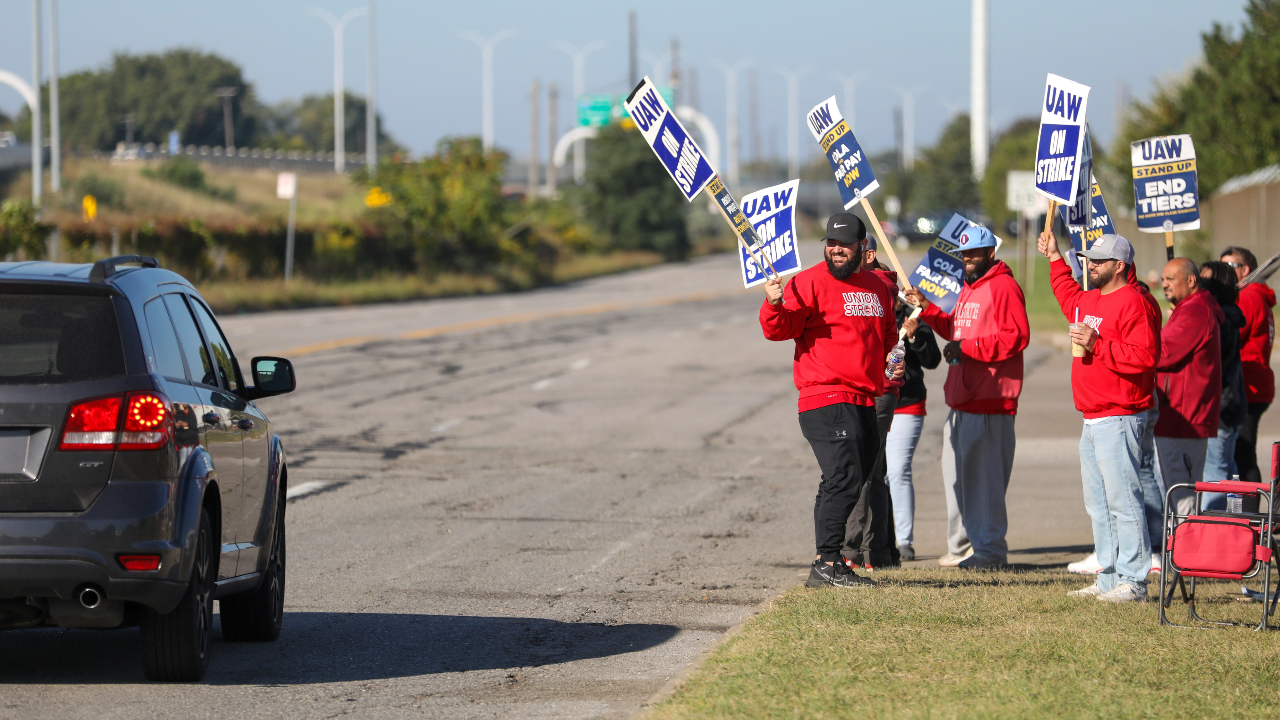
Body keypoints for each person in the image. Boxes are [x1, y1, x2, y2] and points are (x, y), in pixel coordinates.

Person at [760, 213, 900, 589]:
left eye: (844, 244)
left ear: (863, 247)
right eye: (831, 244)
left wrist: (890, 372)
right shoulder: (807, 282)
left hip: (864, 398)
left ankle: (832, 562)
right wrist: (774, 304)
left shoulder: (877, 287)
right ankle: (825, 564)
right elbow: (780, 329)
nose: (836, 250)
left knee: (853, 481)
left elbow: (887, 336)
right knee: (842, 478)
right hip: (825, 395)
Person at [1041, 231, 1159, 603]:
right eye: (1088, 260)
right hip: (1092, 417)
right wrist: (1055, 258)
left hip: (1120, 415)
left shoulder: (1136, 303)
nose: (1090, 266)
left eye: (1098, 261)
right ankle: (1109, 577)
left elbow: (1146, 359)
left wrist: (1098, 344)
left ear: (1119, 266)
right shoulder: (1090, 298)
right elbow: (1065, 294)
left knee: (1124, 501)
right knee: (1100, 505)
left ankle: (1134, 581)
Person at [906, 226, 1029, 569]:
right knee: (959, 480)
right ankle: (965, 546)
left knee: (984, 481)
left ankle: (990, 552)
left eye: (974, 253)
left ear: (991, 252)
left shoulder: (1003, 286)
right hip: (962, 400)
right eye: (964, 254)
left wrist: (969, 348)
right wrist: (926, 308)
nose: (968, 259)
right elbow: (954, 329)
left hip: (990, 399)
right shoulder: (969, 288)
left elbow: (1016, 337)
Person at [841, 238, 905, 569]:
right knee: (874, 471)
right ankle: (879, 550)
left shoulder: (876, 286)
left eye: (853, 251)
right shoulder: (879, 283)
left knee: (862, 470)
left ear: (869, 255)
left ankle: (855, 551)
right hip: (881, 386)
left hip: (876, 386)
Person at [1152, 258, 1222, 517]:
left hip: (1184, 418)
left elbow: (1163, 352)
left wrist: (1131, 345)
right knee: (1175, 491)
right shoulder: (1189, 309)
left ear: (1191, 280)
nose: (1165, 284)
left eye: (1171, 278)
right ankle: (1177, 549)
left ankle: (1183, 552)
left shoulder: (1195, 311)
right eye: (1163, 279)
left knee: (1181, 496)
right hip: (1179, 415)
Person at [885, 261, 941, 562]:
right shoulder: (865, 313)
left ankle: (904, 540)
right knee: (874, 475)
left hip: (906, 404)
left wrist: (916, 337)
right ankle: (879, 539)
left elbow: (933, 361)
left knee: (897, 471)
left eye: (891, 288)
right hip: (872, 402)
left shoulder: (913, 315)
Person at [1221, 247, 1275, 484]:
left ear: (1246, 270)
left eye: (1229, 267)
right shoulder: (1254, 294)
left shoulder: (1250, 295)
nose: (1224, 272)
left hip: (1249, 384)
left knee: (1242, 455)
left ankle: (1250, 514)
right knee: (1243, 453)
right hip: (1253, 381)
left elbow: (1233, 334)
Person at [1197, 261, 1248, 509]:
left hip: (1221, 406)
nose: (1199, 285)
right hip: (1232, 403)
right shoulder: (1228, 315)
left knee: (1215, 471)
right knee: (1228, 467)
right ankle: (1233, 520)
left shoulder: (1221, 320)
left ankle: (1215, 525)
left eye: (1205, 282)